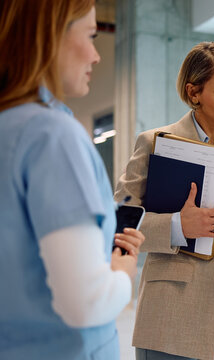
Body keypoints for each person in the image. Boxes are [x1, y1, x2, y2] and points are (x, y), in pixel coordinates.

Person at [0, 0, 146, 359]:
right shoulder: (52, 134)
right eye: (91, 36)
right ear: (51, 36)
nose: (97, 56)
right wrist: (123, 272)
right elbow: (86, 302)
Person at [114, 41, 214, 360]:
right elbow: (121, 220)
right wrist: (178, 225)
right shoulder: (156, 143)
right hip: (172, 303)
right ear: (194, 92)